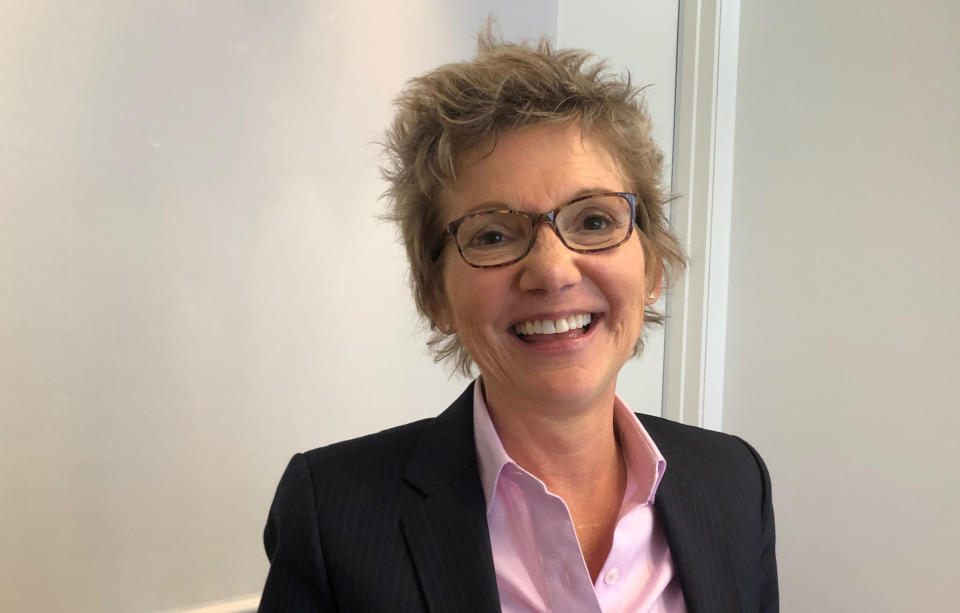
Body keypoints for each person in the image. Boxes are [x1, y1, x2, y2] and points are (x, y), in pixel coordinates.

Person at [258, 33, 778, 613]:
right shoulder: (331, 512)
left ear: (652, 265)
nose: (552, 271)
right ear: (436, 296)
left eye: (594, 220)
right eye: (493, 234)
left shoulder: (734, 481)